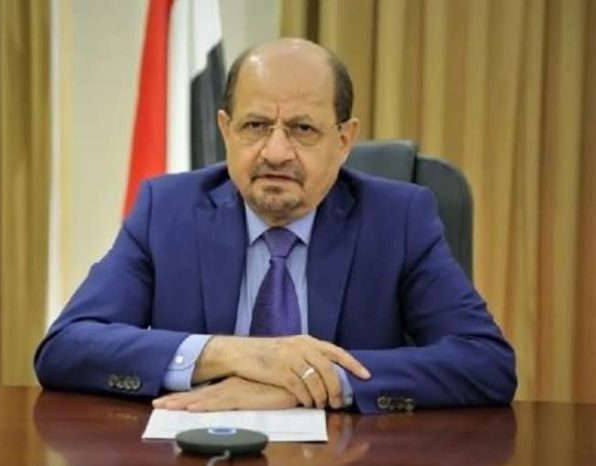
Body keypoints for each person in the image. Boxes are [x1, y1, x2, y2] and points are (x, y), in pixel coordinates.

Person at [34, 38, 516, 414]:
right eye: (256, 126)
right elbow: (67, 347)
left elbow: (486, 363)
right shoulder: (167, 210)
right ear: (225, 130)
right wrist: (235, 355)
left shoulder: (398, 219)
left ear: (344, 140)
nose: (277, 152)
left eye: (303, 129)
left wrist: (312, 382)